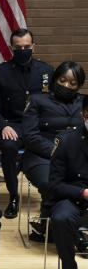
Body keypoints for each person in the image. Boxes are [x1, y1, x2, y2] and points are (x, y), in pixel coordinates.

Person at [0, 28, 52, 220]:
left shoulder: (46, 71)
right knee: (8, 147)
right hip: (11, 126)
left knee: (53, 146)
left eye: (27, 47)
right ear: (11, 47)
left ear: (33, 46)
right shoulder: (0, 72)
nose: (23, 50)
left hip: (38, 127)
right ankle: (14, 196)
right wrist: (3, 126)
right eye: (18, 47)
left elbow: (52, 103)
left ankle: (49, 192)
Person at [22, 61, 85, 243]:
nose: (66, 86)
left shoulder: (84, 103)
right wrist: (58, 152)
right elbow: (29, 135)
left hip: (77, 160)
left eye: (72, 83)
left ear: (79, 85)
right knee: (52, 182)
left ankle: (52, 225)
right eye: (62, 80)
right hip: (41, 157)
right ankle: (72, 233)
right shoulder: (37, 100)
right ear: (55, 79)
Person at [47, 98, 88, 269]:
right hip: (74, 198)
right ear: (83, 115)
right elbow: (54, 184)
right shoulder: (66, 141)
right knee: (61, 218)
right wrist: (83, 193)